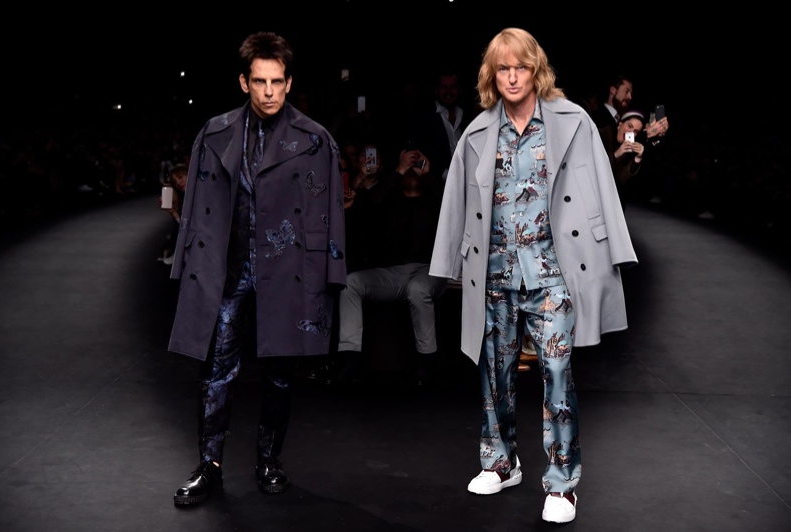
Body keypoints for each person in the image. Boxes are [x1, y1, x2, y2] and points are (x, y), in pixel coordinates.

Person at [429, 28, 638, 524]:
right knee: (493, 375)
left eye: (521, 66)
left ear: (536, 70)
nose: (513, 76)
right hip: (496, 272)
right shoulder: (479, 132)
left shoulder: (572, 122)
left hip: (553, 274)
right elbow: (456, 200)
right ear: (492, 75)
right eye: (503, 68)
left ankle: (563, 484)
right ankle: (500, 463)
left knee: (558, 374)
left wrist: (614, 251)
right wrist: (450, 266)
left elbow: (601, 186)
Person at [167, 31, 346, 506]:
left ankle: (269, 458)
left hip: (287, 270)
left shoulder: (314, 140)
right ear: (243, 82)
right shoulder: (216, 132)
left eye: (278, 82)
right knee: (216, 369)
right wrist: (186, 263)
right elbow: (197, 203)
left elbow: (330, 215)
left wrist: (330, 279)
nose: (269, 91)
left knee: (280, 372)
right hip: (227, 270)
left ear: (289, 83)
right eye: (260, 81)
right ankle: (209, 465)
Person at [336, 146, 447, 386]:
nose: (412, 171)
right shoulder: (390, 201)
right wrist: (398, 171)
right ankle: (351, 360)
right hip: (393, 272)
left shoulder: (434, 200)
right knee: (351, 284)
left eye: (416, 168)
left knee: (418, 288)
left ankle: (426, 364)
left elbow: (453, 205)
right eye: (409, 168)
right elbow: (369, 206)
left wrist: (428, 174)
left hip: (430, 270)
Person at [409, 68, 473, 181]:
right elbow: (421, 153)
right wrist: (448, 178)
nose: (448, 91)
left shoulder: (467, 117)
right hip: (436, 188)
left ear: (459, 90)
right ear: (436, 90)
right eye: (444, 87)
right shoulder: (424, 118)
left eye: (453, 87)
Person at [598, 110, 646, 203]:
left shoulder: (627, 149)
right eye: (629, 126)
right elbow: (596, 167)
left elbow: (621, 180)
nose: (631, 132)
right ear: (620, 124)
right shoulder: (601, 135)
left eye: (635, 131)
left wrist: (637, 159)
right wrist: (617, 154)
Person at [157, 162, 189, 265]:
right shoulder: (185, 198)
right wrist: (174, 213)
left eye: (180, 177)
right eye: (175, 182)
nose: (178, 183)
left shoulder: (200, 194)